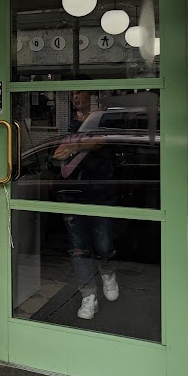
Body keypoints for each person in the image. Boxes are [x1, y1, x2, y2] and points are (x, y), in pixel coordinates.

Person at [53, 87, 119, 320]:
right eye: (72, 94)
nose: (75, 97)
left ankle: (108, 272)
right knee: (79, 247)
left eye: (79, 93)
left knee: (103, 243)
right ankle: (88, 296)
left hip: (100, 191)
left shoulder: (103, 117)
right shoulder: (68, 121)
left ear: (92, 94)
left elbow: (101, 141)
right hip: (71, 192)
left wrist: (75, 146)